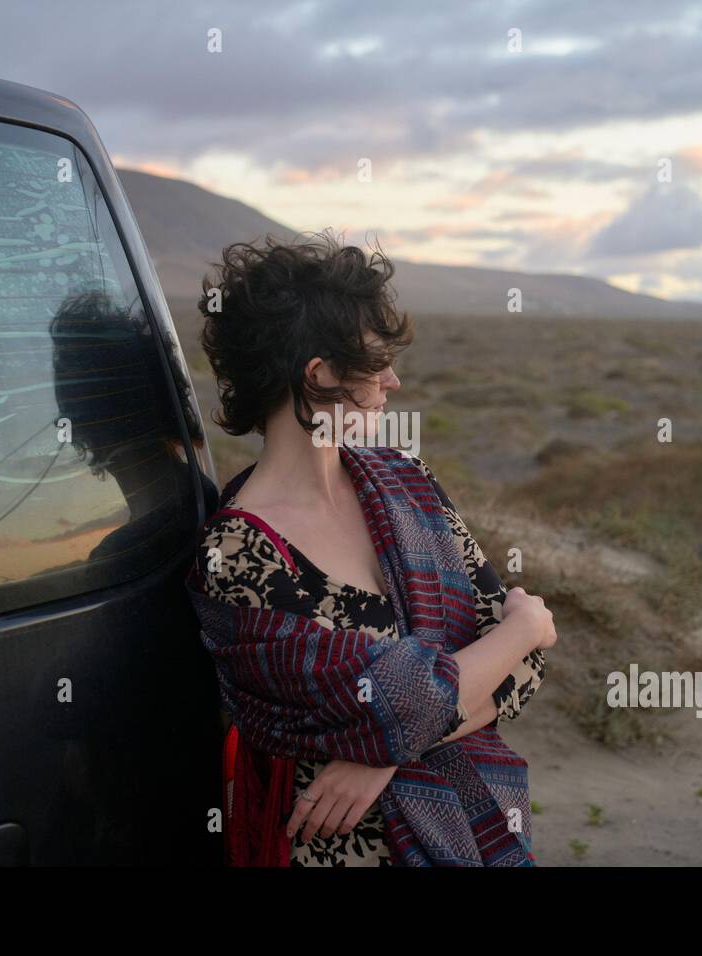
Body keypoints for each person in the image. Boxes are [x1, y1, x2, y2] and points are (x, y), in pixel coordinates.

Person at [184, 230, 555, 866]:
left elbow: (520, 678)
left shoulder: (404, 484)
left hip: (470, 830)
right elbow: (399, 701)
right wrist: (526, 626)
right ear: (319, 374)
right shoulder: (238, 551)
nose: (394, 379)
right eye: (374, 362)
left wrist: (382, 754)